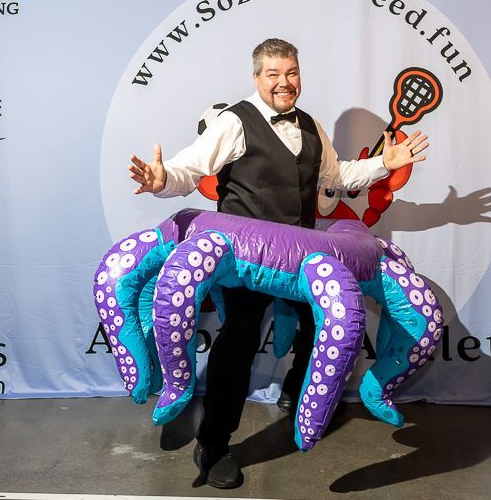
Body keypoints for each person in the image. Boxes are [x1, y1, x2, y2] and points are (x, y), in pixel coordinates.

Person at [127, 38, 428, 489]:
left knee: (321, 324)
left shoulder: (309, 125)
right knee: (240, 340)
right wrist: (161, 178)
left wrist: (384, 164)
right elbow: (191, 169)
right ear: (256, 78)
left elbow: (337, 178)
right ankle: (213, 444)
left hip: (303, 261)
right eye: (274, 75)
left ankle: (295, 392)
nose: (284, 83)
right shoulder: (234, 121)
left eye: (291, 73)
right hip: (243, 261)